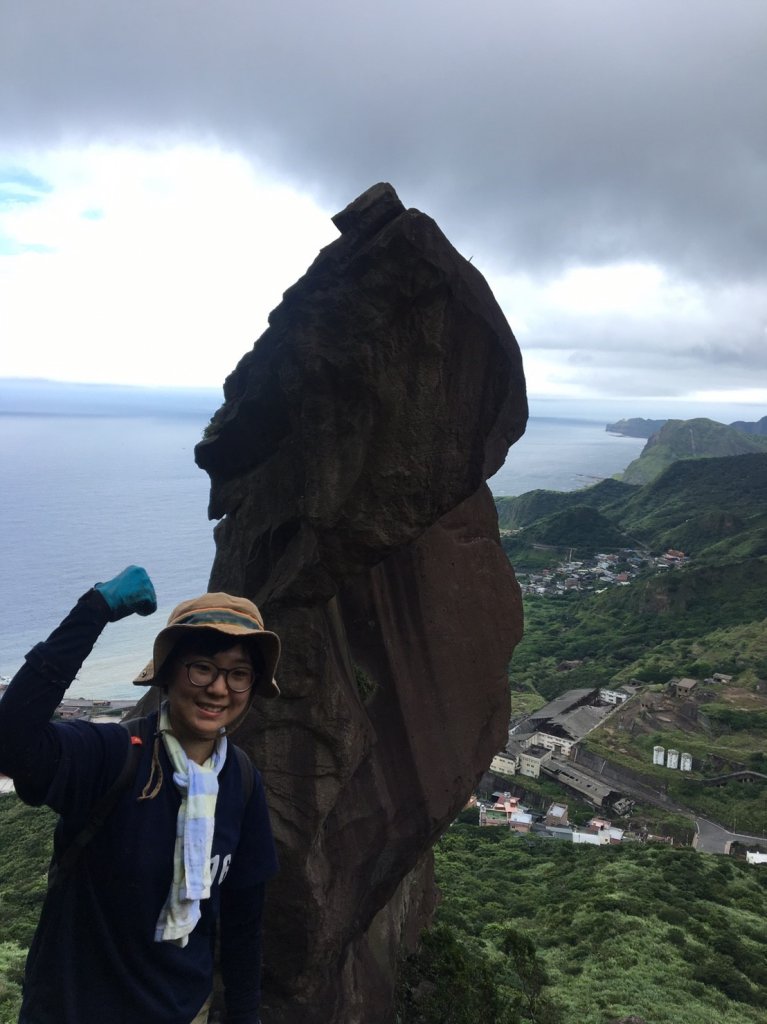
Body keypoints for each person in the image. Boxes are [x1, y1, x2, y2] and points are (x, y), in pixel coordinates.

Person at [0, 566, 280, 1024]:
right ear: (168, 676)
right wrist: (95, 610)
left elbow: (242, 919)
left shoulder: (241, 782)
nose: (218, 687)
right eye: (203, 667)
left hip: (185, 1011)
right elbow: (11, 742)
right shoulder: (114, 756)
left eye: (238, 674)